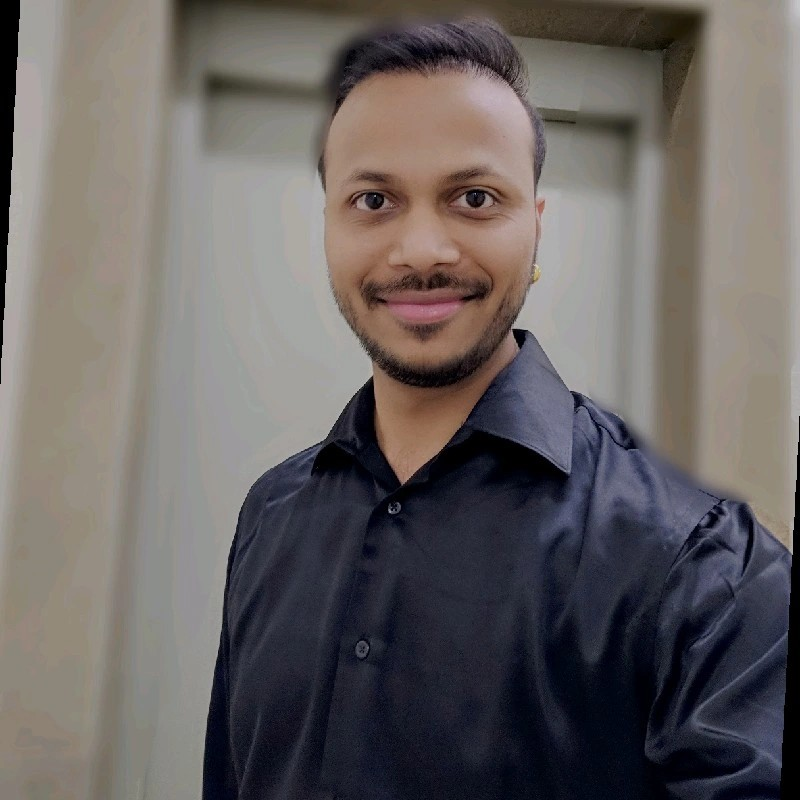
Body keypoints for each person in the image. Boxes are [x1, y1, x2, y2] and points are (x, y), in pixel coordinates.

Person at [202, 16, 790, 800]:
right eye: (373, 199)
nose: (422, 250)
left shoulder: (704, 563)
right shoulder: (271, 514)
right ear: (329, 227)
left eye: (474, 198)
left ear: (535, 228)